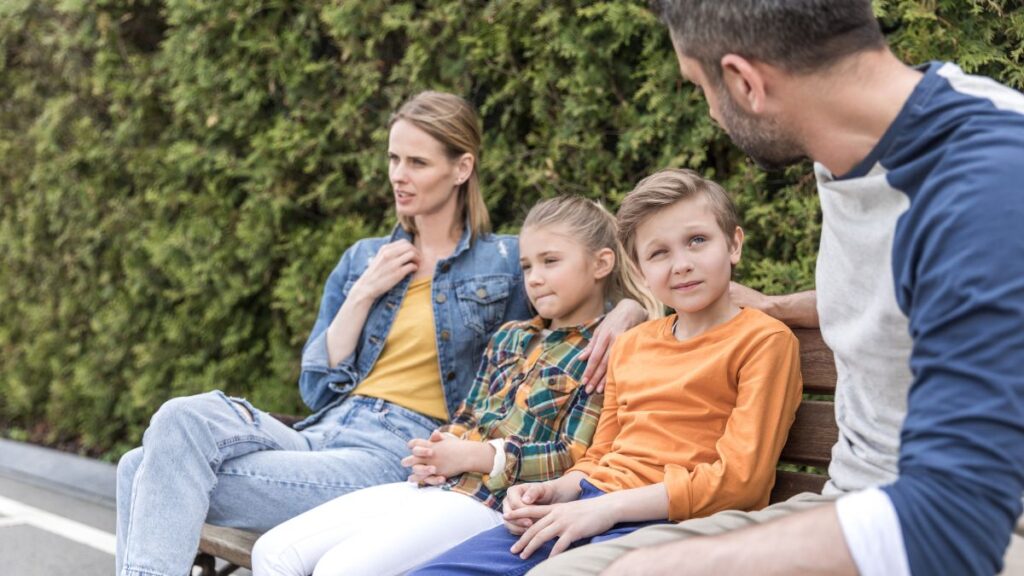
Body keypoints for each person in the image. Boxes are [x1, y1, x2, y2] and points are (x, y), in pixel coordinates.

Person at [531, 2, 1024, 575]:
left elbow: (956, 514)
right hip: (850, 500)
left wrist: (679, 564)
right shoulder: (845, 152)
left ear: (744, 82)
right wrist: (776, 306)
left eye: (701, 87)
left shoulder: (991, 173)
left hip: (981, 524)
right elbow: (923, 293)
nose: (712, 113)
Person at [114, 92, 645, 576]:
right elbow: (317, 388)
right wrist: (363, 292)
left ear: (462, 168)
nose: (399, 175)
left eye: (417, 162)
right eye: (394, 159)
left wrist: (630, 311)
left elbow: (585, 287)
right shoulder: (364, 259)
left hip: (397, 449)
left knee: (142, 470)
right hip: (320, 432)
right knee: (176, 422)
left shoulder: (507, 259)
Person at [406, 168, 804, 575]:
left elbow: (740, 482)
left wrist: (604, 508)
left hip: (676, 519)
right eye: (658, 253)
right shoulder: (633, 343)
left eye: (697, 241)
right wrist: (554, 489)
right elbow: (602, 453)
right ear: (641, 268)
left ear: (733, 244)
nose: (681, 264)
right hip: (589, 504)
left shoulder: (762, 341)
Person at [249, 195, 661, 576]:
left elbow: (577, 457)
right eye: (527, 266)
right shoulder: (511, 336)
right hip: (437, 489)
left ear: (601, 264)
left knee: (341, 569)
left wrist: (478, 455)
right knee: (273, 550)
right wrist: (437, 450)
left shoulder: (607, 348)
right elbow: (468, 415)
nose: (534, 278)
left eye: (551, 261)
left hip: (493, 506)